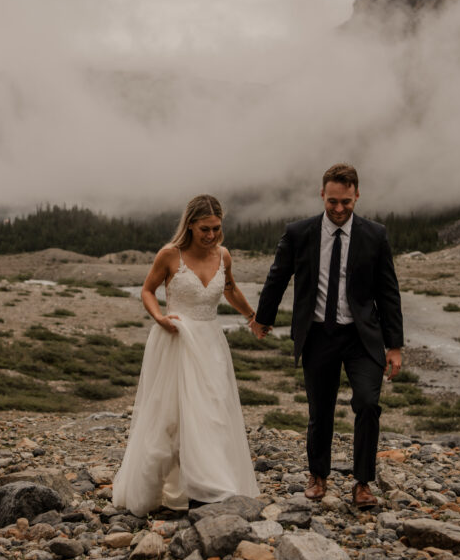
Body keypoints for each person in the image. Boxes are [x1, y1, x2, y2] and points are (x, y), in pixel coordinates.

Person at [251, 163, 403, 509]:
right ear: (322, 194)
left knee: (367, 403)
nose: (338, 209)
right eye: (332, 201)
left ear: (357, 196)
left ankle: (363, 483)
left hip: (362, 336)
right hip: (318, 333)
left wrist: (394, 345)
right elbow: (278, 277)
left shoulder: (374, 235)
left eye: (346, 202)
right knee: (320, 409)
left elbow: (388, 291)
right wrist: (263, 318)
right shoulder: (299, 233)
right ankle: (318, 475)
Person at [112, 194, 260, 515]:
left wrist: (252, 317)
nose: (211, 236)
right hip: (176, 340)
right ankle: (160, 487)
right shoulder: (170, 255)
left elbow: (230, 288)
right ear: (190, 225)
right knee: (171, 416)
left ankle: (208, 484)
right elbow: (148, 291)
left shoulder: (223, 255)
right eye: (205, 229)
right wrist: (159, 318)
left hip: (210, 343)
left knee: (213, 412)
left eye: (216, 229)